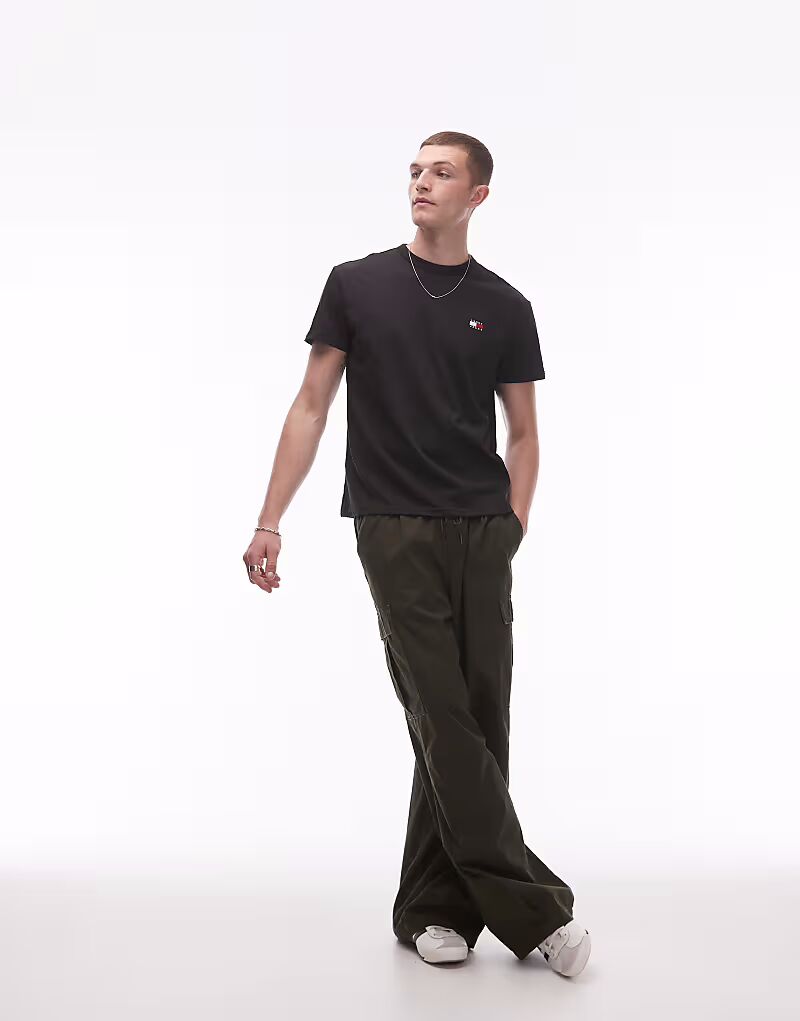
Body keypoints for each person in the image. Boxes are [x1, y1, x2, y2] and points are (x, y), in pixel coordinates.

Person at [242, 130, 591, 976]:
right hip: (393, 524)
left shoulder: (506, 304)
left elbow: (524, 432)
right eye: (415, 170)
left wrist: (511, 524)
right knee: (440, 711)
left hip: (482, 529)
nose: (421, 182)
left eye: (442, 172)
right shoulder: (356, 284)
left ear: (478, 195)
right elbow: (311, 405)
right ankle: (537, 911)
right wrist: (270, 519)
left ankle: (434, 909)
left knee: (479, 717)